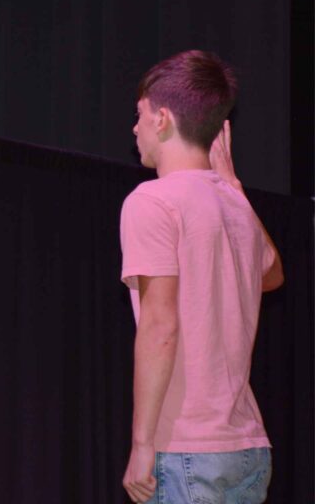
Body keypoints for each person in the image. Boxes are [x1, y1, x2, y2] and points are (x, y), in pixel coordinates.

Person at [119, 50, 284, 503]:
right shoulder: (233, 203)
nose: (134, 128)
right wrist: (234, 190)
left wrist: (142, 445)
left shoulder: (151, 201)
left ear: (163, 119)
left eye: (140, 115)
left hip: (186, 450)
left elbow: (160, 326)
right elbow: (271, 274)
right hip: (247, 447)